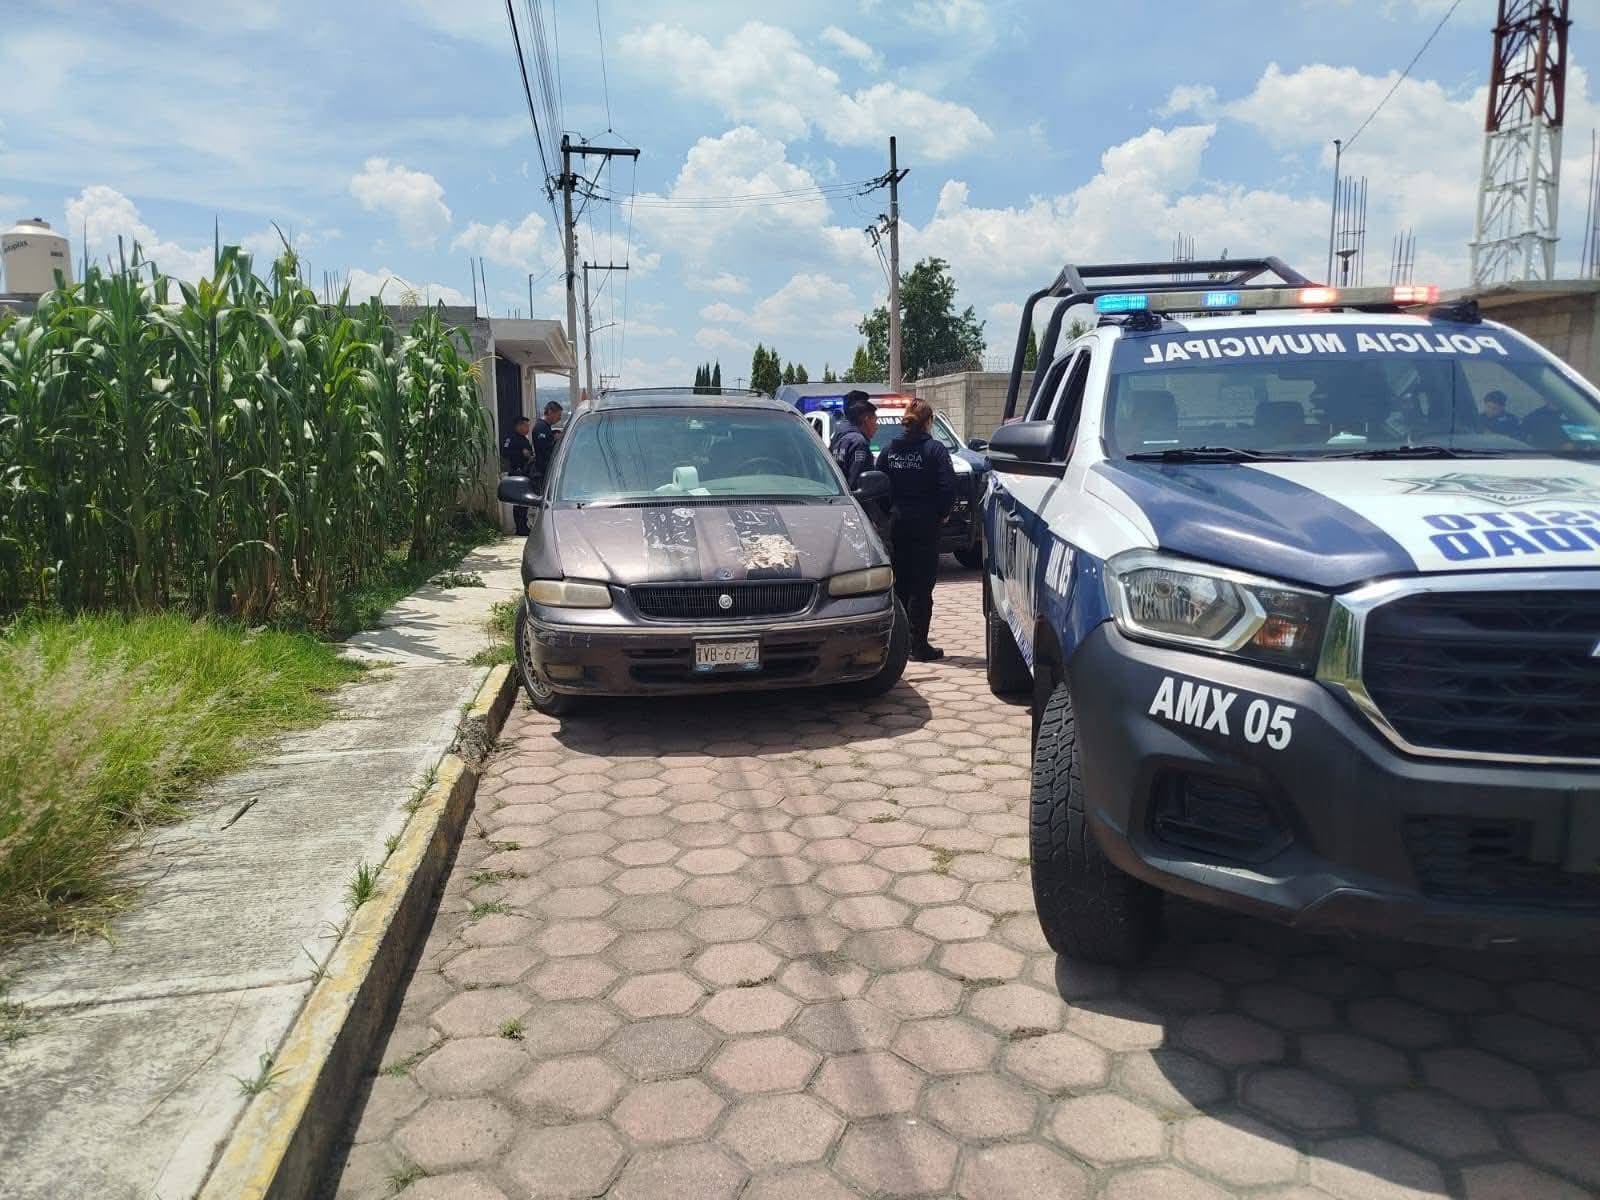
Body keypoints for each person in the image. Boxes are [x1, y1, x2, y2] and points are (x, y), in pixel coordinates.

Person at [877, 398, 956, 662]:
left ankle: (898, 644)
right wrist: (943, 513)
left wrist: (888, 512)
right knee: (922, 587)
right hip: (925, 524)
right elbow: (948, 486)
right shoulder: (934, 450)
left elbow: (878, 484)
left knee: (900, 583)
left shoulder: (890, 450)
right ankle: (918, 646)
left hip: (898, 523)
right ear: (928, 422)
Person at [830, 391, 878, 489]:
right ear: (866, 419)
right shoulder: (858, 442)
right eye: (875, 420)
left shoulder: (838, 436)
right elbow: (856, 482)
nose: (877, 426)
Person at [500, 415, 535, 535]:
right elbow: (505, 452)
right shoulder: (511, 438)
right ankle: (520, 527)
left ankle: (524, 526)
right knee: (519, 501)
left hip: (525, 472)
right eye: (526, 426)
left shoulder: (524, 439)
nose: (528, 428)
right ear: (519, 426)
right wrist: (520, 453)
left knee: (525, 502)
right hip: (517, 472)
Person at [532, 400, 564, 484]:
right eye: (558, 415)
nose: (559, 418)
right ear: (550, 412)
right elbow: (543, 448)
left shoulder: (546, 427)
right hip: (543, 471)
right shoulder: (541, 427)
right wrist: (555, 440)